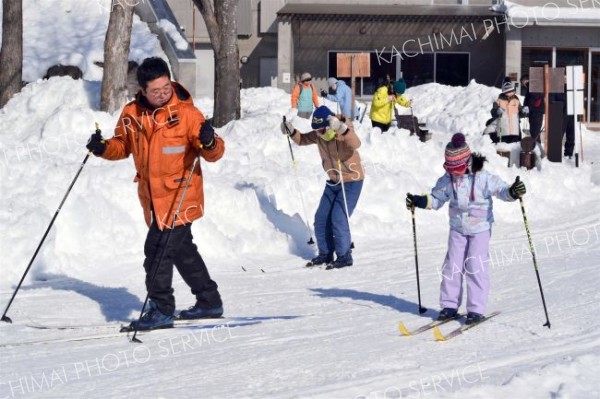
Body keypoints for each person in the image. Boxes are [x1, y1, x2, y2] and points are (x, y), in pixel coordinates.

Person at [86, 57, 225, 330]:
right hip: (154, 201)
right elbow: (122, 146)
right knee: (183, 253)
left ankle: (161, 309)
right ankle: (209, 301)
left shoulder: (187, 114)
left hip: (182, 197)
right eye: (155, 91)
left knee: (157, 252)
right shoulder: (131, 114)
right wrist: (102, 148)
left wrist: (209, 141)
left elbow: (214, 152)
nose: (162, 94)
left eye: (165, 88)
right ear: (142, 90)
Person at [405, 133, 526, 324]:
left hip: (480, 229)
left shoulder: (484, 178)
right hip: (457, 229)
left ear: (467, 162)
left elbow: (502, 190)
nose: (455, 172)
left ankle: (476, 309)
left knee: (475, 267)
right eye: (451, 169)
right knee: (452, 266)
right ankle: (449, 306)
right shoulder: (448, 179)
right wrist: (420, 201)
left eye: (458, 168)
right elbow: (436, 199)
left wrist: (513, 191)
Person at [281, 105, 364, 269]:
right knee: (321, 218)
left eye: (321, 130)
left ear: (329, 125)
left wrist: (342, 129)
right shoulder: (320, 134)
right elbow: (303, 139)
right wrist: (291, 131)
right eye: (316, 130)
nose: (318, 133)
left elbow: (356, 143)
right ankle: (325, 253)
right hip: (333, 180)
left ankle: (344, 256)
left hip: (351, 180)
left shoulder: (342, 131)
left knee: (338, 217)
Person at [520, 74, 544, 141]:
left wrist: (528, 107)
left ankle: (537, 148)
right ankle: (536, 147)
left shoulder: (533, 86)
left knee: (535, 132)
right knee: (534, 132)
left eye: (522, 82)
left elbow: (533, 98)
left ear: (525, 80)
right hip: (535, 112)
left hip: (536, 112)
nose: (522, 84)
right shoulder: (532, 86)